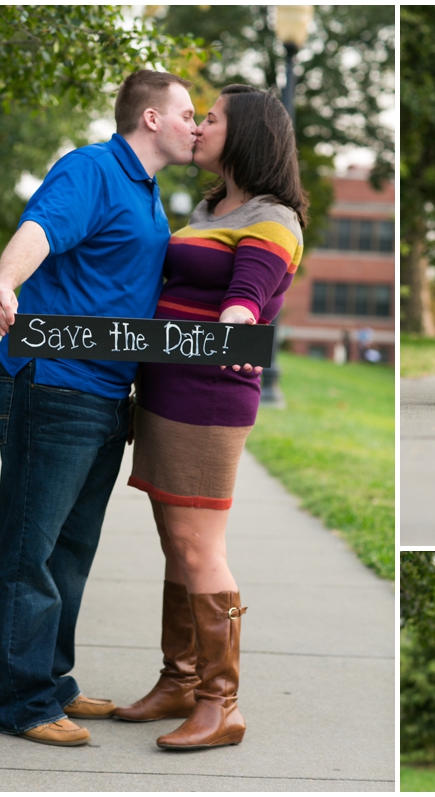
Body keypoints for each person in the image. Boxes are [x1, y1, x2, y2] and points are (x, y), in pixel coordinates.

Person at [0, 70, 198, 746]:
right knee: (31, 550)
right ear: (152, 118)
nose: (197, 124)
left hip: (106, 397)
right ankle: (23, 700)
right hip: (53, 386)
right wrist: (4, 281)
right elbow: (41, 227)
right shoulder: (94, 168)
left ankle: (53, 683)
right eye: (188, 112)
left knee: (70, 553)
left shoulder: (150, 196)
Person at [112, 84, 307, 751]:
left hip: (208, 398)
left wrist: (234, 324)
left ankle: (222, 701)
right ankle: (181, 678)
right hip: (167, 392)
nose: (198, 128)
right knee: (177, 543)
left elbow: (247, 296)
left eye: (212, 119)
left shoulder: (272, 216)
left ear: (246, 133)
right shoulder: (208, 208)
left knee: (201, 548)